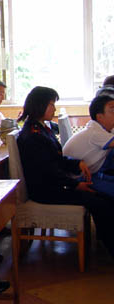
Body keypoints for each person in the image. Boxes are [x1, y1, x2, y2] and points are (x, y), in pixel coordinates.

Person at [17, 86, 114, 257]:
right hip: (46, 191)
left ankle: (106, 242)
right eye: (51, 104)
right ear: (40, 105)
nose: (54, 109)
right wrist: (76, 185)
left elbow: (56, 159)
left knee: (103, 198)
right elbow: (49, 171)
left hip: (52, 184)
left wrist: (77, 163)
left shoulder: (40, 129)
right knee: (100, 202)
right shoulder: (33, 136)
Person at [63, 94, 114, 198]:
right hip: (77, 179)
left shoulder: (106, 129)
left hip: (92, 173)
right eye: (113, 110)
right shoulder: (95, 132)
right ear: (100, 117)